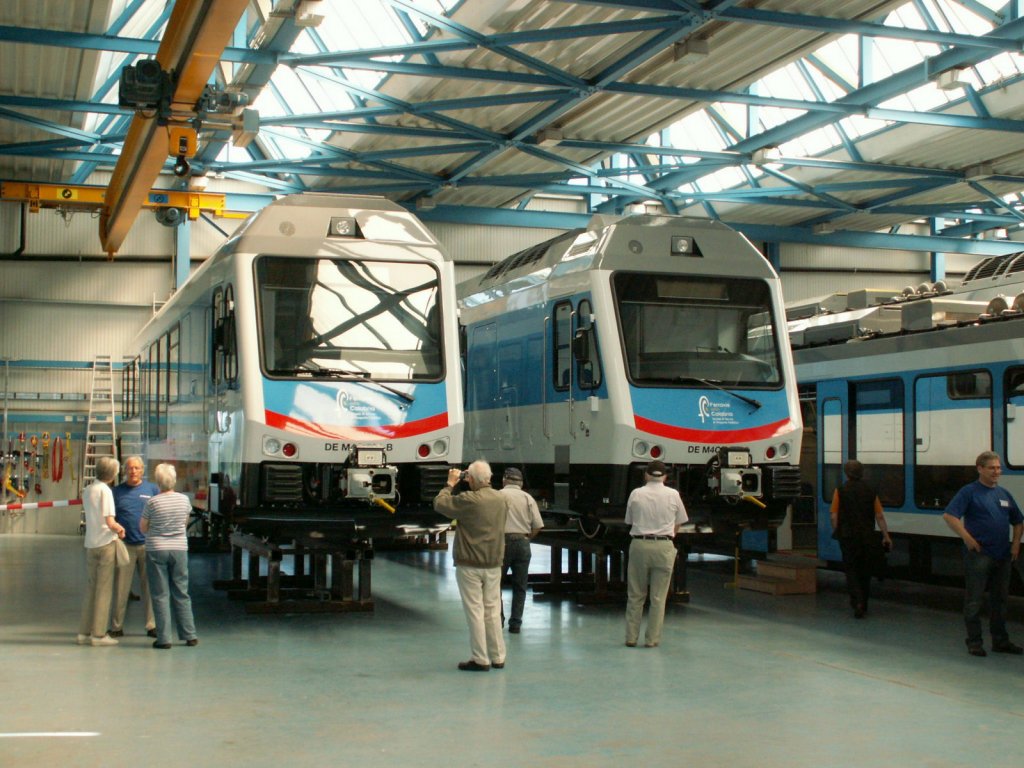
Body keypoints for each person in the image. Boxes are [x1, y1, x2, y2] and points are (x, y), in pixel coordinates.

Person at [943, 451, 1023, 657]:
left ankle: (1000, 640)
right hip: (979, 555)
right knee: (974, 600)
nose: (996, 471)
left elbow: (1018, 521)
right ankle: (975, 641)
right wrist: (967, 538)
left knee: (1000, 600)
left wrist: (1015, 544)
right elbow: (949, 515)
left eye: (998, 468)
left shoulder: (1004, 494)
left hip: (1002, 555)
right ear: (980, 469)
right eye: (992, 468)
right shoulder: (969, 492)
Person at [434, 460, 507, 671]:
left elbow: (440, 503)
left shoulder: (469, 500)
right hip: (493, 563)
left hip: (470, 564)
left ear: (471, 479)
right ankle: (498, 656)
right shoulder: (501, 499)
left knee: (475, 610)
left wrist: (450, 483)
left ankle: (480, 658)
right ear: (490, 478)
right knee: (493, 610)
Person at [624, 460, 687, 649]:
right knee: (658, 598)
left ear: (646, 475)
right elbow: (679, 521)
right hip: (664, 546)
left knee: (636, 594)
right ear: (665, 477)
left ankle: (631, 638)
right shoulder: (673, 494)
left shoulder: (636, 494)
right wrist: (668, 535)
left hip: (640, 545)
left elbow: (629, 520)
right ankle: (651, 640)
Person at [141, 463, 198, 650]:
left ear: (158, 482)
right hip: (179, 549)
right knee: (181, 591)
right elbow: (184, 523)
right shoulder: (184, 500)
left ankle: (164, 639)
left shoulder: (152, 502)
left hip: (156, 549)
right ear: (174, 480)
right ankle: (190, 635)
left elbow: (143, 527)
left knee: (160, 594)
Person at [830, 459, 892, 619]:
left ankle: (856, 601)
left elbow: (834, 515)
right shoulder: (871, 491)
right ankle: (864, 602)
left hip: (847, 536)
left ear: (846, 473)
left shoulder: (840, 491)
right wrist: (886, 536)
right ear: (862, 473)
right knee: (865, 571)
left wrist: (837, 530)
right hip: (867, 536)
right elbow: (879, 515)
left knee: (851, 570)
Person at [76, 456, 124, 647]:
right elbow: (110, 521)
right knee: (104, 590)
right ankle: (99, 634)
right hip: (105, 544)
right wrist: (120, 529)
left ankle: (83, 632)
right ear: (113, 474)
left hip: (91, 543)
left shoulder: (88, 489)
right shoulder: (106, 491)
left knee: (91, 588)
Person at [109, 456, 158, 638]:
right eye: (130, 468)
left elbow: (159, 513)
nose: (133, 471)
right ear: (125, 470)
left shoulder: (152, 490)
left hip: (147, 545)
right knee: (121, 589)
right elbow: (110, 517)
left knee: (149, 588)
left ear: (142, 470)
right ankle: (117, 627)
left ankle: (152, 625)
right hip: (125, 546)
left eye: (137, 468)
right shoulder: (116, 492)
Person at [500, 467, 544, 634]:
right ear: (521, 483)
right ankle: (516, 624)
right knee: (520, 586)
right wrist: (527, 538)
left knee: (495, 584)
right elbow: (538, 525)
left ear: (505, 480)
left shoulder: (498, 496)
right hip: (522, 542)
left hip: (502, 543)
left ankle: (498, 620)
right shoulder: (528, 498)